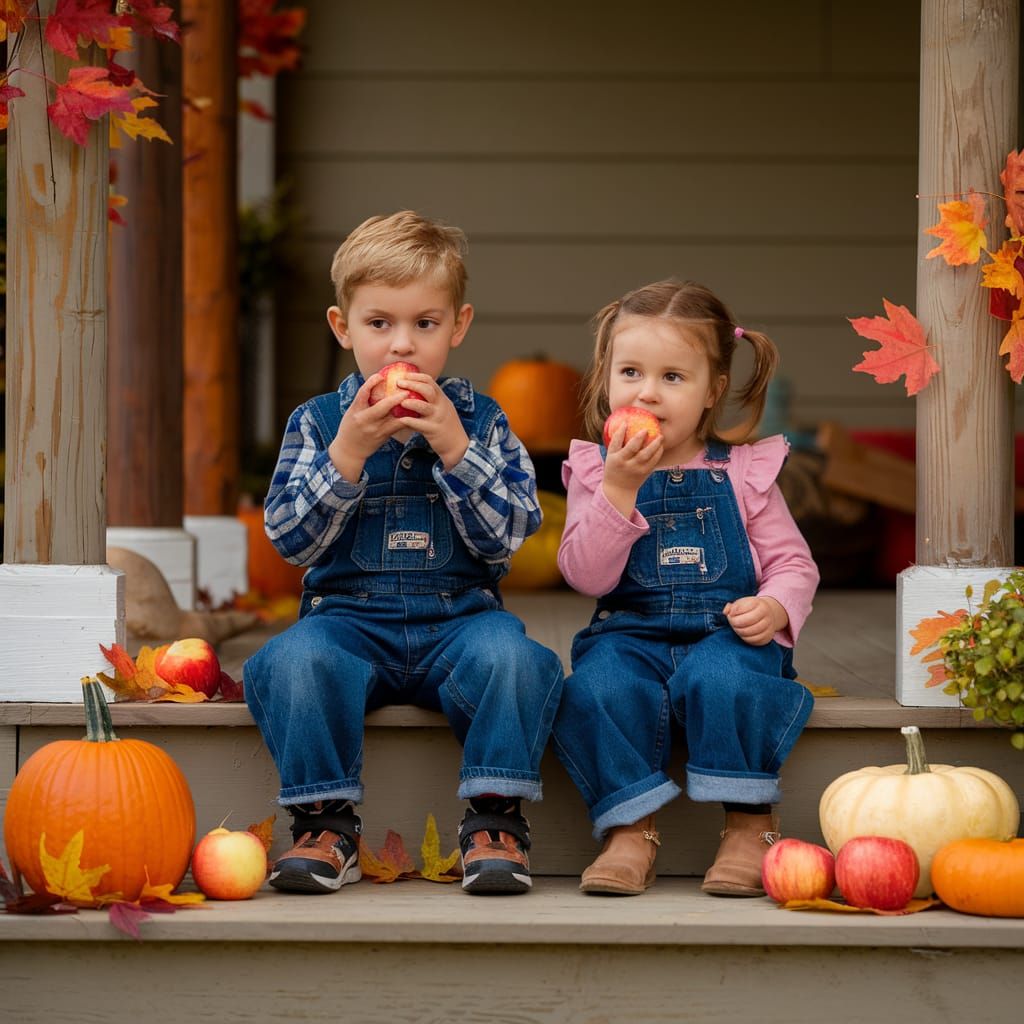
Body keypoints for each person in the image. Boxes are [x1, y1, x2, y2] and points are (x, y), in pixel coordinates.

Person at [244, 211, 564, 896]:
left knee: (519, 660)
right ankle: (325, 823)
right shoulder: (318, 423)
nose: (403, 348)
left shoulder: (485, 421)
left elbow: (509, 536)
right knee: (293, 660)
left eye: (425, 324)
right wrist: (349, 452)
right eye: (380, 323)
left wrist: (456, 448)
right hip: (348, 622)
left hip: (460, 621)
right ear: (343, 327)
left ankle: (494, 819)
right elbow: (289, 540)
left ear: (459, 325)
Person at [551, 279, 819, 897]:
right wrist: (619, 490)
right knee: (600, 685)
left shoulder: (745, 471)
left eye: (673, 377)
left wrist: (774, 604)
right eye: (631, 372)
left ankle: (750, 824)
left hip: (727, 633)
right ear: (606, 379)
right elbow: (586, 575)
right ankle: (630, 829)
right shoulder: (597, 471)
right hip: (631, 634)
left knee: (727, 679)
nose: (647, 390)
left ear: (711, 392)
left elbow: (794, 563)